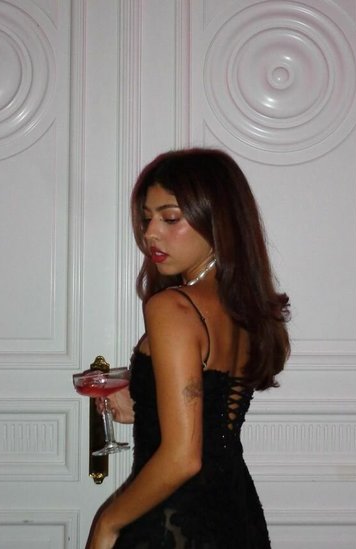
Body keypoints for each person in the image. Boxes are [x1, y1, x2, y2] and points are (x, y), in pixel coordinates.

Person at [87, 148, 290, 549]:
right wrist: (144, 401)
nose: (150, 233)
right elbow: (209, 414)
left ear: (217, 221)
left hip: (175, 524)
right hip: (236, 514)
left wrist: (106, 525)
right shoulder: (243, 307)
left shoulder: (173, 308)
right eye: (146, 218)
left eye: (170, 218)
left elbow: (183, 457)